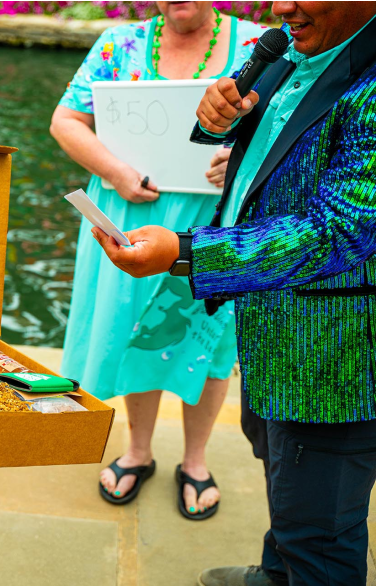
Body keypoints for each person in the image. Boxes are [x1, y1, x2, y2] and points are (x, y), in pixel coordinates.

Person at [92, 1, 376, 584]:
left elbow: (338, 231)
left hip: (334, 359)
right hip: (273, 322)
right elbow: (274, 145)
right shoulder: (298, 44)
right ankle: (278, 572)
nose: (280, 7)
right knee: (289, 491)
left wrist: (187, 252)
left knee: (323, 534)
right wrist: (218, 120)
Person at [50, 0, 265, 519]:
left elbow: (288, 133)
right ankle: (138, 451)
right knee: (134, 328)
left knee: (211, 342)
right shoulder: (118, 44)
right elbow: (65, 120)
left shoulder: (259, 45)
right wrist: (116, 170)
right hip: (129, 212)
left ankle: (195, 460)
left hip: (218, 223)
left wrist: (241, 156)